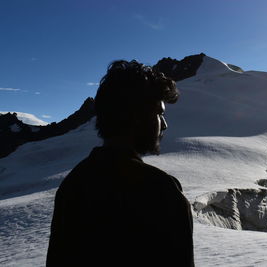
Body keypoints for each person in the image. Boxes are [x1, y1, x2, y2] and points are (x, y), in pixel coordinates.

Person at [46, 60, 194, 266]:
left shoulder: (74, 184)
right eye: (159, 113)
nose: (164, 125)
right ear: (136, 116)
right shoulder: (160, 191)